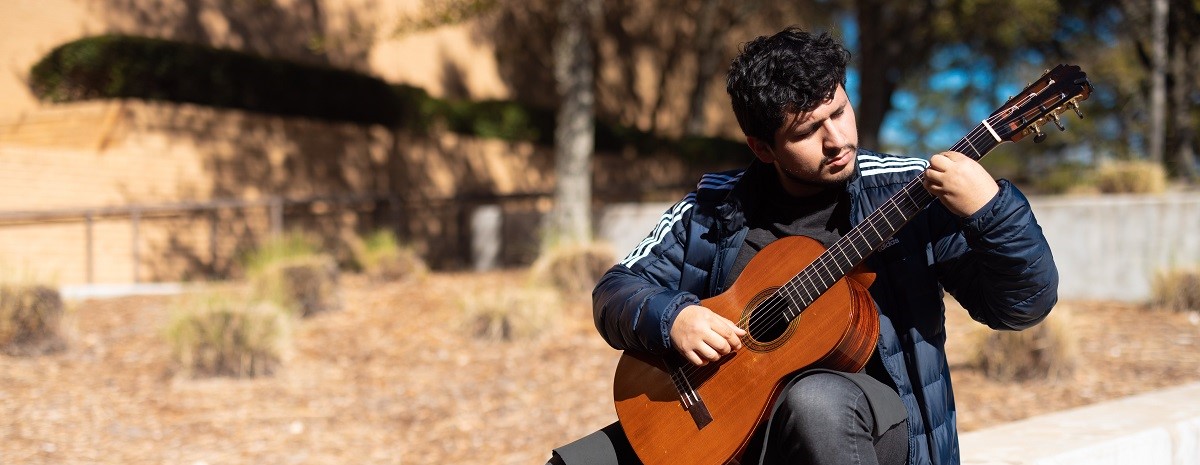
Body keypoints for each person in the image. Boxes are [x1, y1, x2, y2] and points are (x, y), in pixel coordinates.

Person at [549, 26, 1058, 465]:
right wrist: (673, 318)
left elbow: (1021, 307)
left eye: (839, 111)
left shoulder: (912, 194)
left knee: (815, 403)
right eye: (808, 131)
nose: (836, 140)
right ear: (762, 147)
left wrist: (992, 209)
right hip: (731, 417)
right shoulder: (711, 210)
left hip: (867, 429)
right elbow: (616, 290)